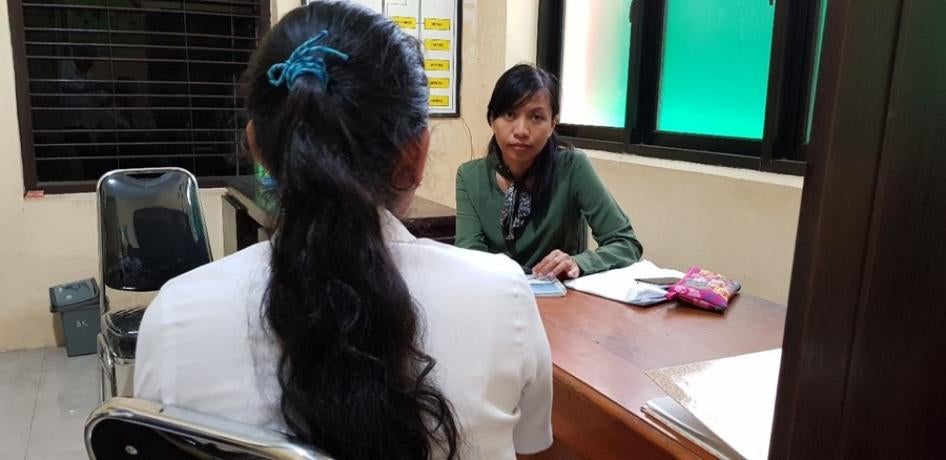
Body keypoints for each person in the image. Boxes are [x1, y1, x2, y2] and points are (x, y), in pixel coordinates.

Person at [133, 3, 552, 459]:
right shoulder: (504, 296)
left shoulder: (175, 316)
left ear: (257, 146)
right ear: (415, 155)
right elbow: (530, 446)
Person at [455, 64, 643, 279]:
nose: (521, 131)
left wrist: (578, 263)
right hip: (497, 296)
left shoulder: (572, 167)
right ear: (491, 119)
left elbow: (626, 244)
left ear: (553, 124)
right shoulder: (469, 176)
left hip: (562, 300)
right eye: (509, 114)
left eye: (536, 117)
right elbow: (469, 257)